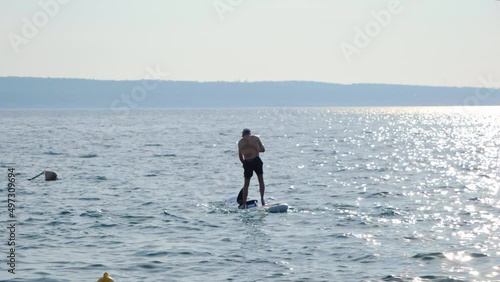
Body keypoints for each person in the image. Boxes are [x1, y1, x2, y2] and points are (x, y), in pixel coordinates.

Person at [238, 128, 266, 208]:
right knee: (260, 180)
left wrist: (244, 164)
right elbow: (263, 150)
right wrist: (255, 149)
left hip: (247, 162)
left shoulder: (240, 142)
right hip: (256, 160)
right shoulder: (256, 138)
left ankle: (243, 204)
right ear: (249, 133)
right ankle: (262, 199)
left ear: (243, 134)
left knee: (246, 184)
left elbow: (240, 156)